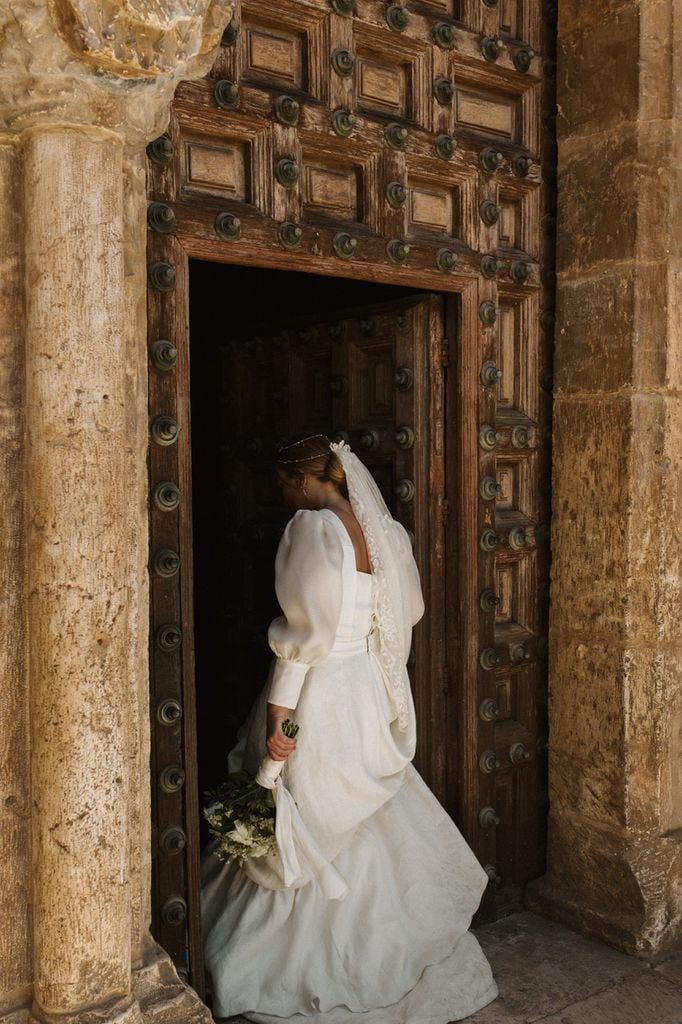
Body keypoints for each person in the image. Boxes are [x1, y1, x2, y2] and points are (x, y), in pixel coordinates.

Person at [200, 434, 499, 1023]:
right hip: (363, 684)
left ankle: (287, 957)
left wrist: (281, 712)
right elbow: (406, 612)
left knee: (302, 801)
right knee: (360, 812)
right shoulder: (388, 534)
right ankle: (392, 945)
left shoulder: (312, 529)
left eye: (283, 485)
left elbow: (304, 630)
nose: (283, 496)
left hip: (320, 687)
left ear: (301, 479)